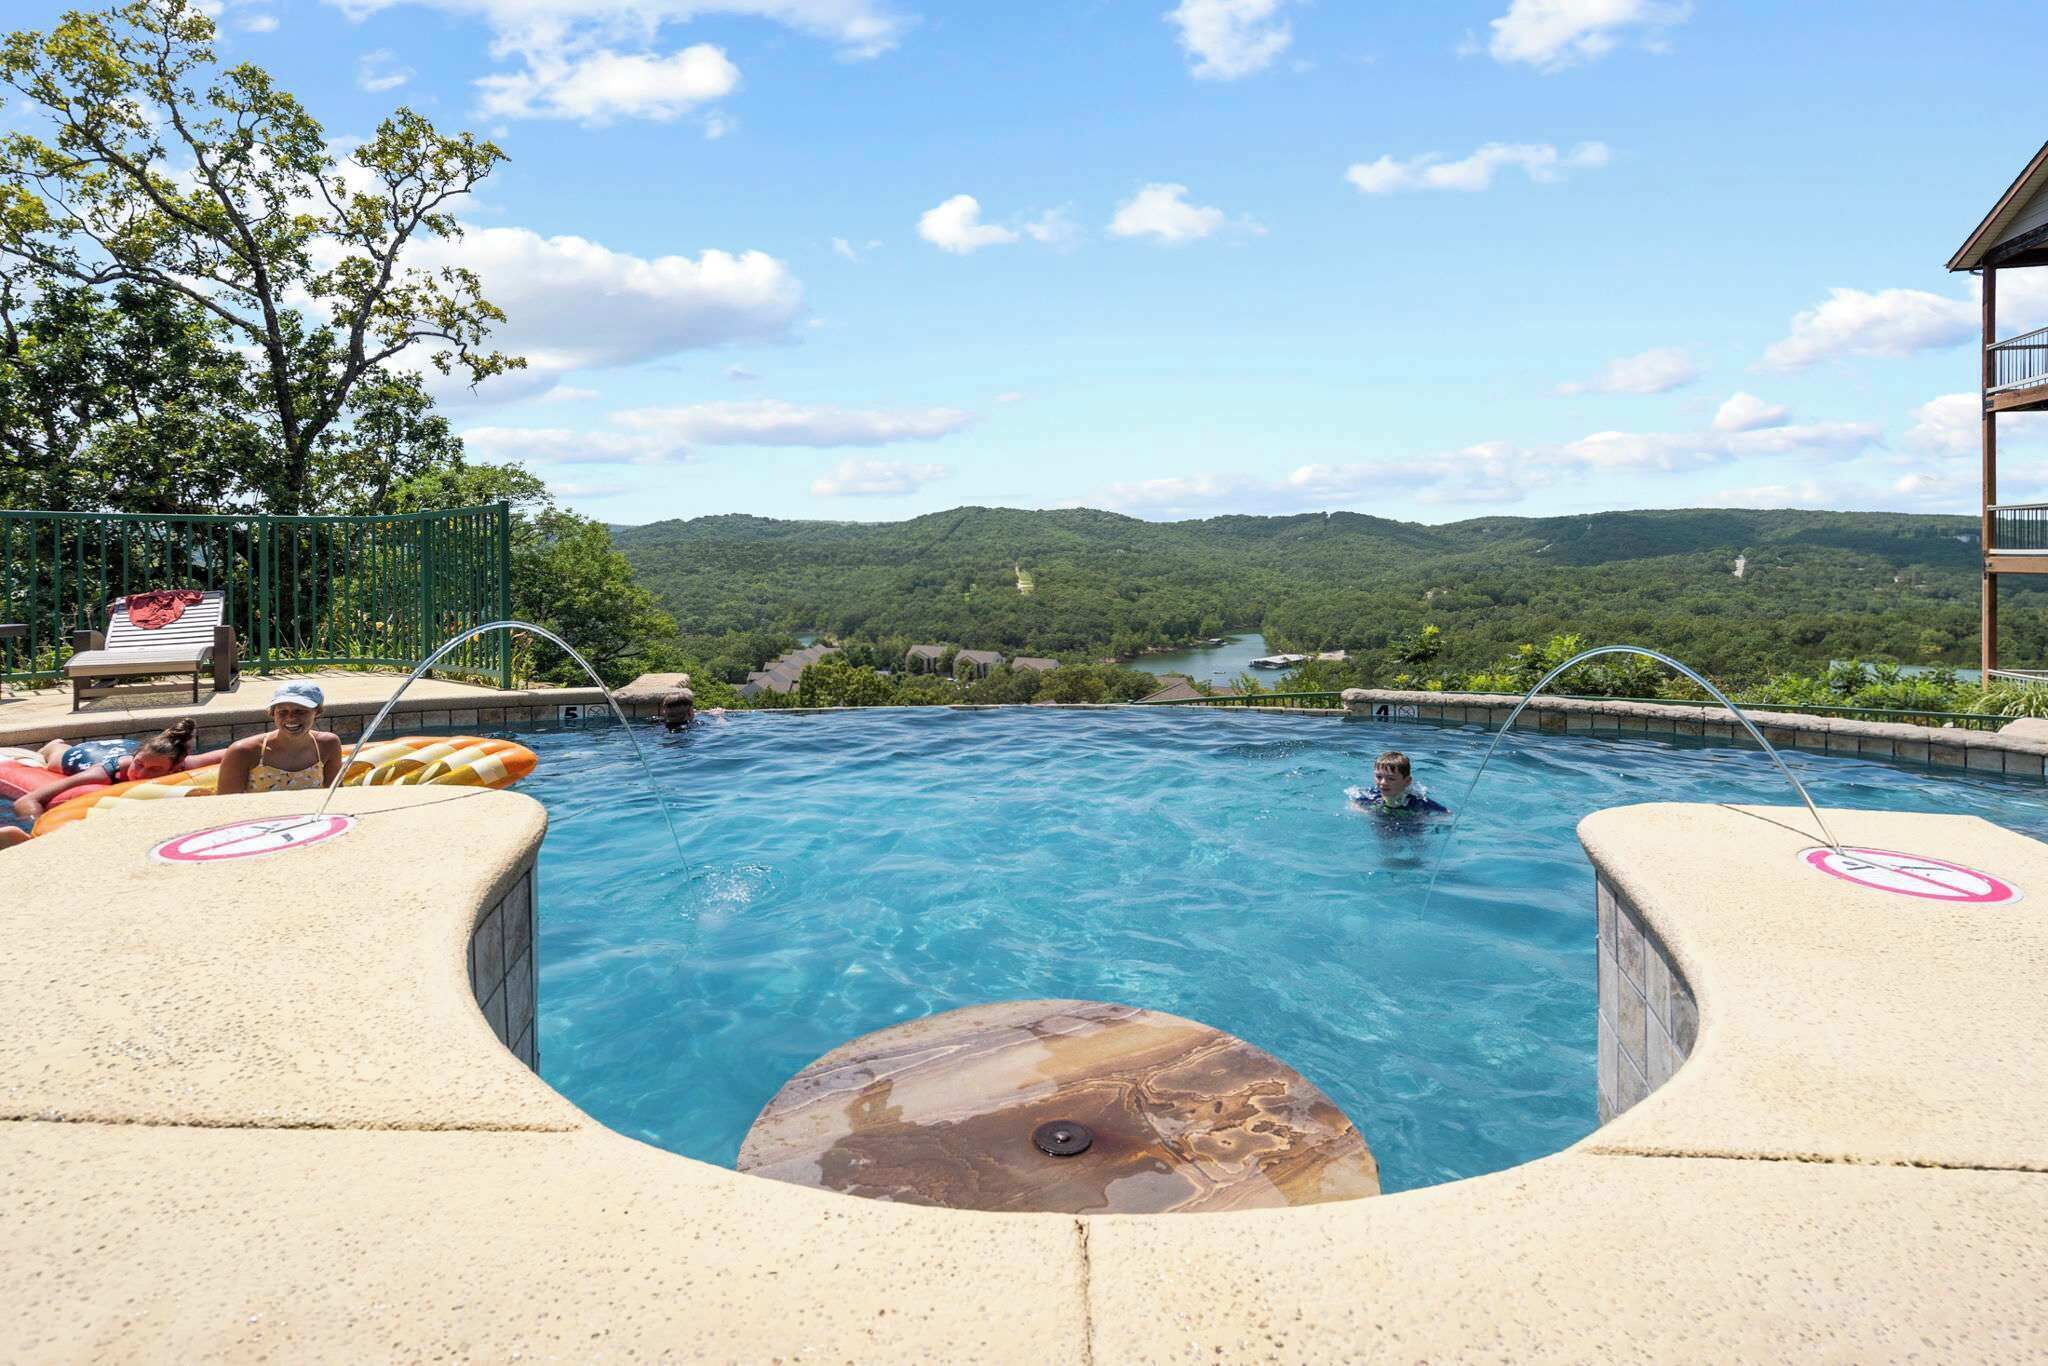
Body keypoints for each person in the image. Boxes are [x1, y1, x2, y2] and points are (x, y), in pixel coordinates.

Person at [11, 719, 210, 824]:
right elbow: (27, 800)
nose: (140, 775)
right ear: (135, 757)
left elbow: (235, 750)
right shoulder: (102, 773)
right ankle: (54, 745)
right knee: (57, 761)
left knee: (147, 757)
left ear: (174, 769)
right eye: (138, 765)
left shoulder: (187, 764)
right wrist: (33, 826)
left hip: (129, 748)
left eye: (154, 770)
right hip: (90, 755)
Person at [214, 682, 344, 795]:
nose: (291, 718)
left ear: (317, 712)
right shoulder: (244, 751)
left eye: (300, 711)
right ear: (273, 713)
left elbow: (336, 795)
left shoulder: (328, 745)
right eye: (282, 712)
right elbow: (226, 805)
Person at [1348, 750, 1449, 816]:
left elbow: (1446, 814)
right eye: (1379, 777)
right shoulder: (1371, 796)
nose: (1383, 782)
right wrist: (1366, 812)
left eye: (1391, 779)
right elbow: (1353, 804)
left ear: (1407, 781)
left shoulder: (1416, 801)